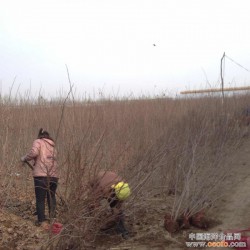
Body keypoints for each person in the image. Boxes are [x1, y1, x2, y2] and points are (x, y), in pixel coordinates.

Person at [21, 128, 59, 229]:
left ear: (40, 136)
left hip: (41, 176)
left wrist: (24, 158)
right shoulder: (53, 146)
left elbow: (33, 153)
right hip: (54, 176)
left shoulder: (38, 141)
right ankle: (53, 219)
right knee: (51, 197)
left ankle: (42, 221)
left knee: (40, 199)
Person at [88, 170, 131, 239]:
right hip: (97, 183)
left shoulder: (123, 186)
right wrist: (99, 216)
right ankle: (92, 229)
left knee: (118, 210)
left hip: (111, 187)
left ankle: (122, 230)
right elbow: (94, 202)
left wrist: (117, 211)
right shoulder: (101, 188)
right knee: (91, 208)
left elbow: (119, 203)